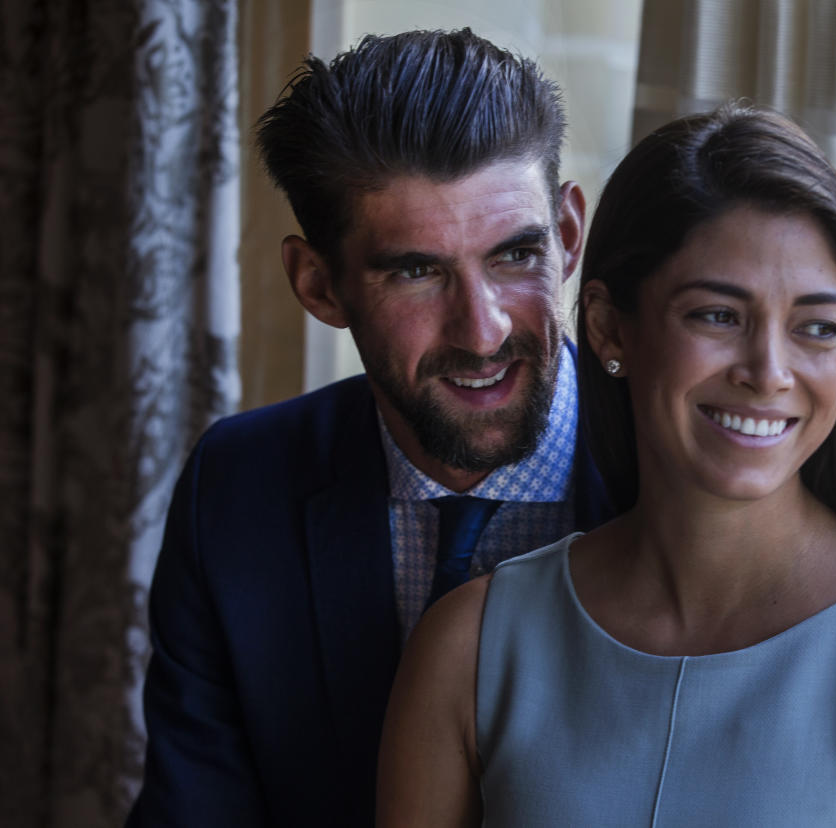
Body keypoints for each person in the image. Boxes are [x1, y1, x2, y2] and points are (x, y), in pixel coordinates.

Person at [377, 104, 836, 826]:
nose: (768, 372)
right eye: (718, 316)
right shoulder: (470, 648)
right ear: (609, 327)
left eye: (816, 328)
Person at [127, 29, 609, 828]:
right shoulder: (239, 489)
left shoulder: (680, 476)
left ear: (565, 238)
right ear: (319, 286)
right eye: (417, 272)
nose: (483, 331)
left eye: (515, 255)